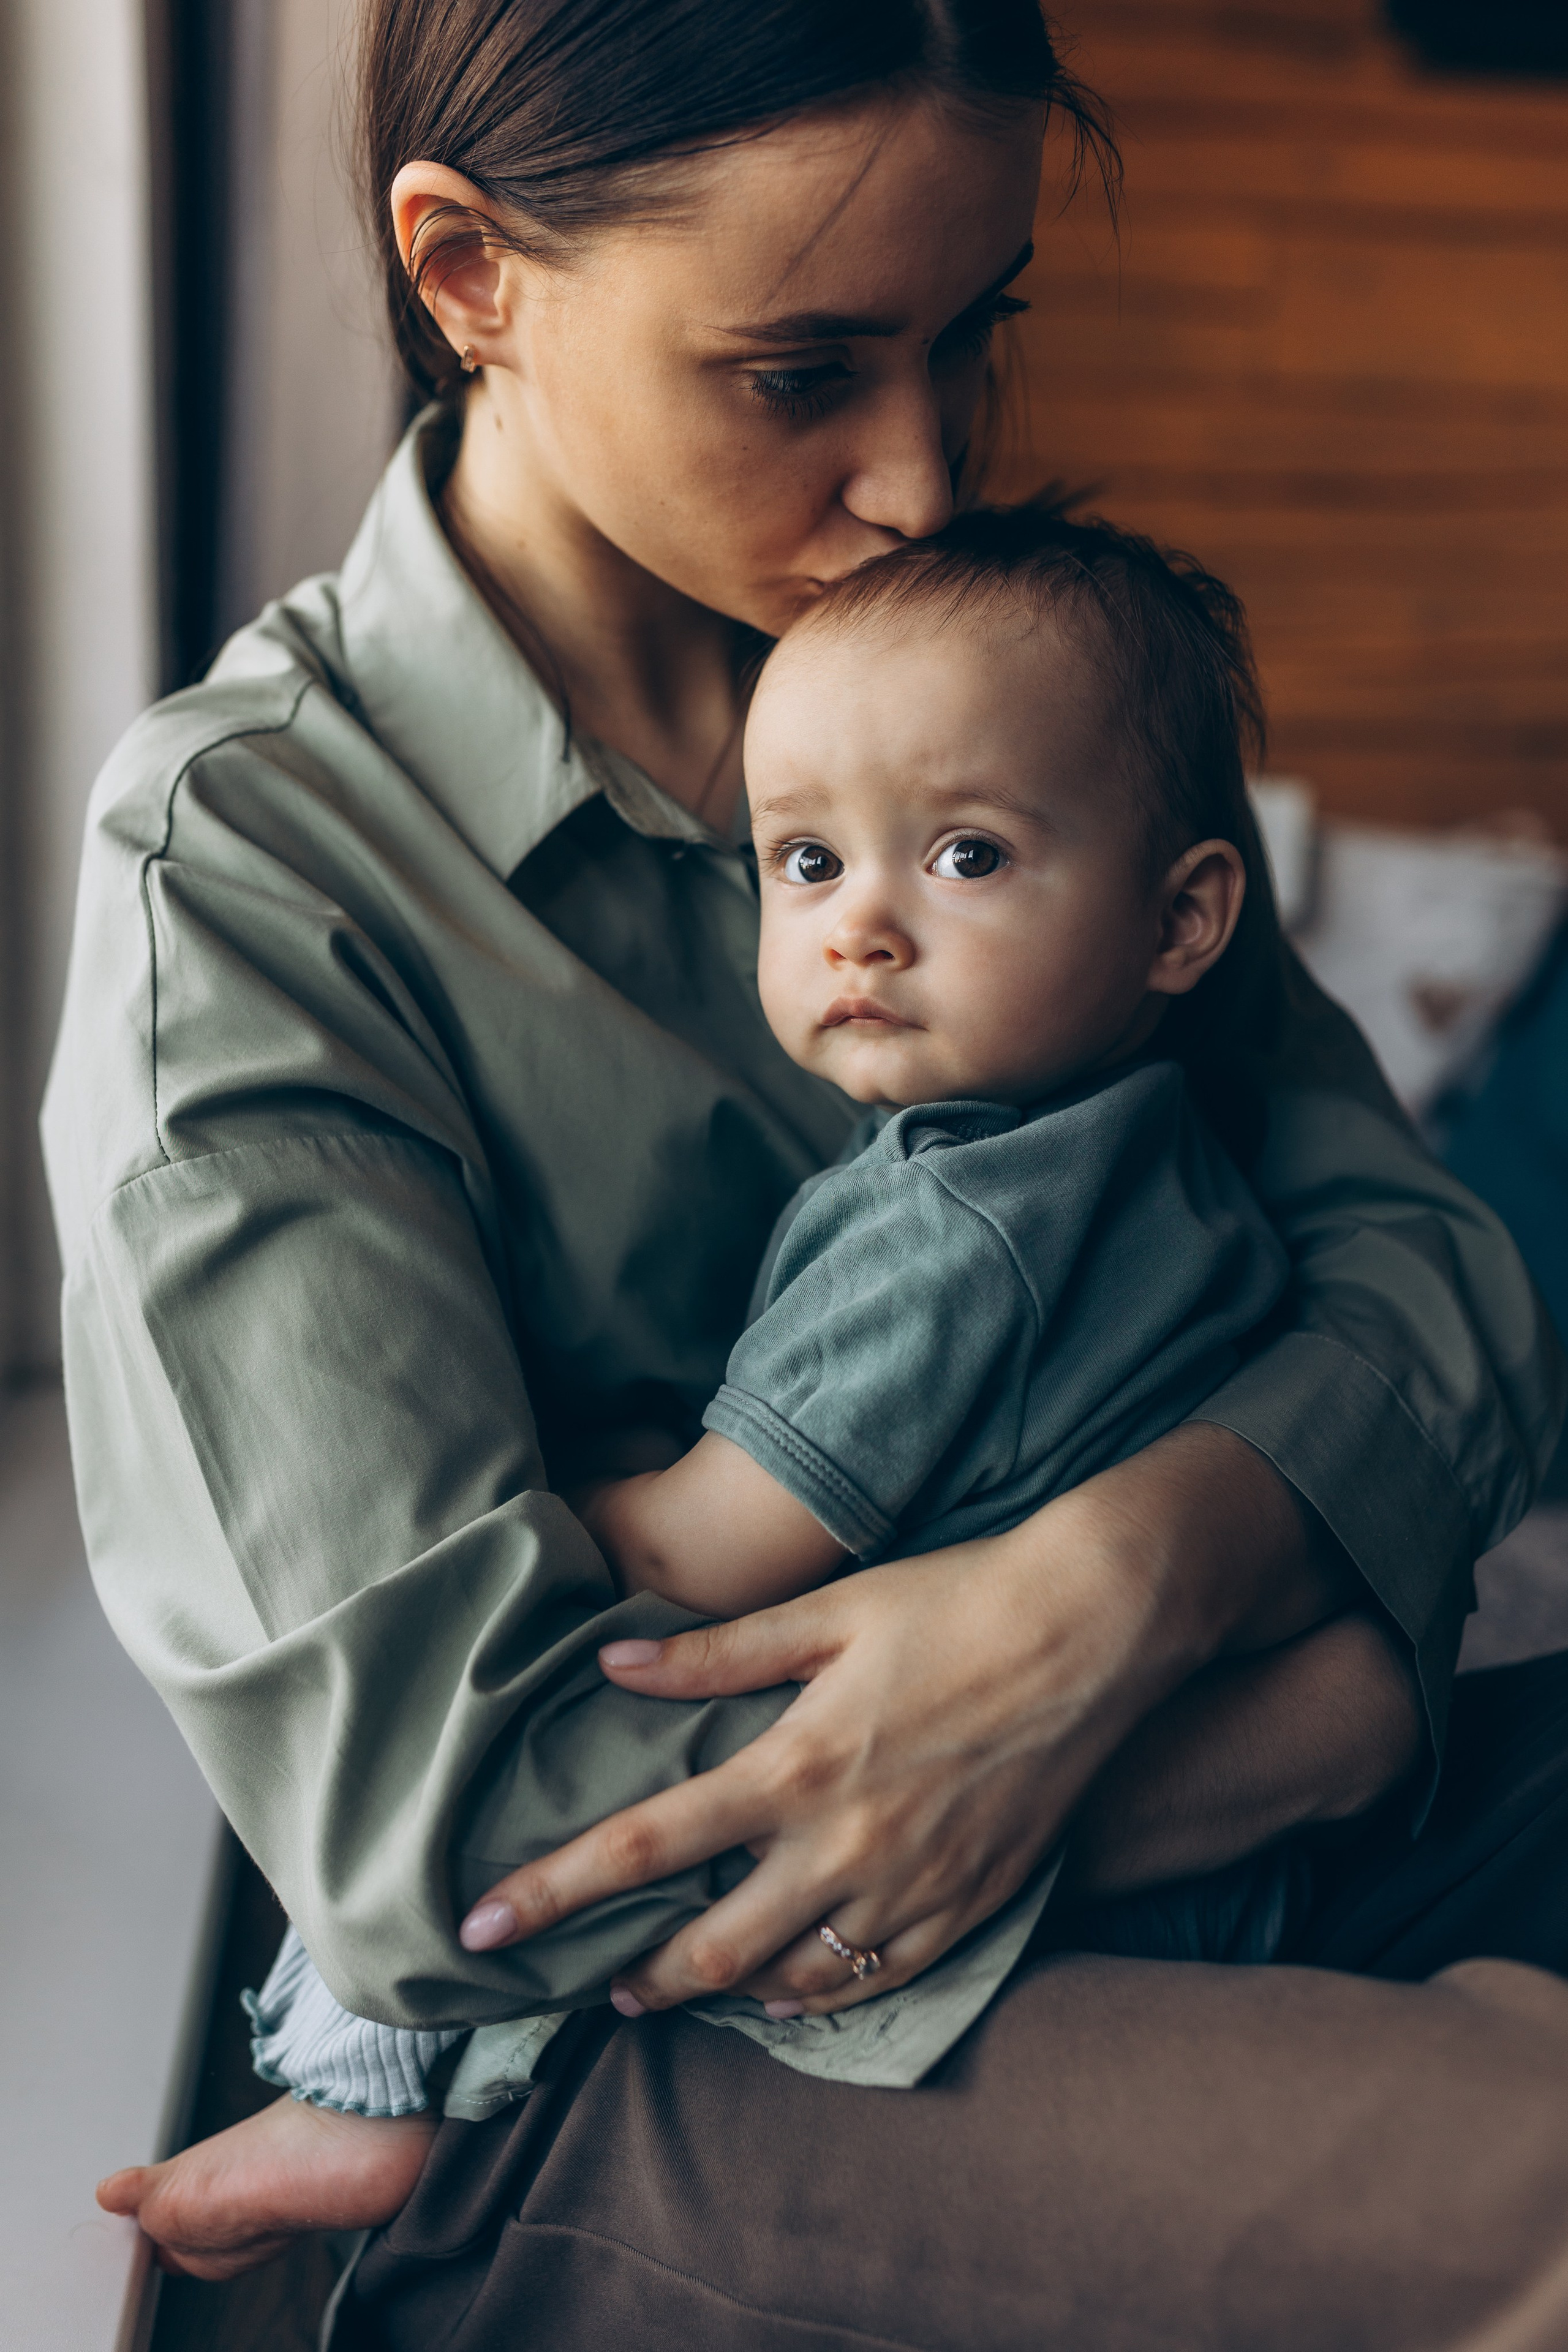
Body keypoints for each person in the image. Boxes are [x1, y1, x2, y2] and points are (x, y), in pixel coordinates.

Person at [56, 1, 1568, 2342]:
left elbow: (1434, 1279)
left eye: (976, 341)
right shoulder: (250, 880)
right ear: (469, 277)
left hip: (1119, 1818)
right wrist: (1286, 1715)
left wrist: (1147, 1571)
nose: (926, 478)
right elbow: (463, 1831)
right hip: (617, 2050)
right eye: (802, 374)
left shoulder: (1004, 686)